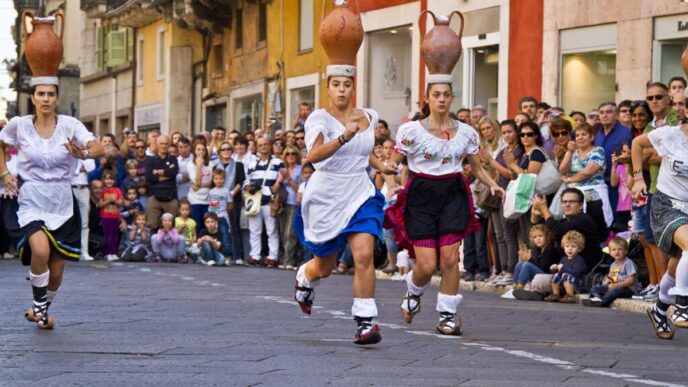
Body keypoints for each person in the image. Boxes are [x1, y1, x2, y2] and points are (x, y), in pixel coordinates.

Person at [388, 68, 505, 336]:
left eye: (446, 95)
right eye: (436, 95)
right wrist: (389, 176)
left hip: (453, 191)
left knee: (451, 258)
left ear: (452, 99)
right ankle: (414, 290)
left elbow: (475, 167)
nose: (441, 99)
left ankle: (447, 315)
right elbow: (393, 162)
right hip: (421, 194)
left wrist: (493, 184)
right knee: (427, 266)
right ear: (427, 99)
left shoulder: (467, 132)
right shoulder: (411, 131)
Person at [292, 59, 397, 345]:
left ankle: (365, 321)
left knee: (364, 253)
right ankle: (305, 275)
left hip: (359, 191)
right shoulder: (319, 118)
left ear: (354, 87)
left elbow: (364, 152)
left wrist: (381, 165)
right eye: (336, 84)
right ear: (327, 88)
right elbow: (313, 156)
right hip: (327, 193)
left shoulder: (369, 116)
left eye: (347, 84)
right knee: (324, 267)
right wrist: (343, 136)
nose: (342, 90)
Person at [0, 79, 104, 329]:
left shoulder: (70, 125)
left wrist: (85, 154)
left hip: (61, 200)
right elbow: (1, 144)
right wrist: (4, 173)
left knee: (56, 272)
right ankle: (40, 311)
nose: (45, 99)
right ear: (33, 98)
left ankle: (41, 310)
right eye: (41, 94)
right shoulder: (19, 125)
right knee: (41, 251)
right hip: (31, 198)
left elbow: (98, 148)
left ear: (57, 99)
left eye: (50, 94)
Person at [631, 120, 688, 340]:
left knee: (677, 264)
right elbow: (637, 143)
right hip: (667, 205)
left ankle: (659, 310)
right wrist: (638, 178)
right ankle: (683, 304)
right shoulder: (670, 135)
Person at [558, 122, 611, 241]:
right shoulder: (574, 153)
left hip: (594, 195)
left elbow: (588, 172)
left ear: (591, 137)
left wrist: (570, 179)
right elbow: (562, 169)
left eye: (584, 134)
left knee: (594, 227)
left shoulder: (598, 150)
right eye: (577, 135)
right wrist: (569, 152)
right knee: (575, 228)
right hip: (575, 196)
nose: (580, 137)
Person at [485, 120, 522, 281]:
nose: (507, 135)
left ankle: (511, 270)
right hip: (498, 196)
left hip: (510, 195)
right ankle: (502, 269)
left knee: (509, 235)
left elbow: (511, 174)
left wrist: (491, 161)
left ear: (516, 132)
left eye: (510, 131)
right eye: (504, 132)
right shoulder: (503, 150)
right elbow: (496, 173)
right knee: (498, 235)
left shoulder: (518, 151)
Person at [531, 188, 602, 271]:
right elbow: (543, 230)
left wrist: (544, 209)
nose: (567, 204)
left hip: (584, 271)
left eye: (572, 202)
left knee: (536, 277)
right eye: (564, 202)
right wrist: (535, 214)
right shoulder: (565, 221)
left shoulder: (584, 219)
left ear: (581, 205)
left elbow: (557, 231)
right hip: (564, 268)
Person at [244, 136, 284, 266]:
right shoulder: (251, 164)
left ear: (270, 146)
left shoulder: (277, 162)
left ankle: (273, 256)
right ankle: (255, 255)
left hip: (269, 201)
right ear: (257, 147)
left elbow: (282, 178)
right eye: (260, 145)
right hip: (255, 201)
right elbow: (246, 180)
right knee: (254, 231)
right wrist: (248, 187)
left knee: (271, 231)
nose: (263, 147)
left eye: (266, 144)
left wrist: (276, 187)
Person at [213, 141, 245, 265]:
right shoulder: (215, 167)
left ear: (232, 151)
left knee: (234, 228)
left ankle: (238, 256)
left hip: (234, 200)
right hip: (218, 200)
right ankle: (223, 254)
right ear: (220, 152)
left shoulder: (238, 165)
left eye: (228, 149)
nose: (226, 151)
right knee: (220, 227)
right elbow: (213, 184)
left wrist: (230, 194)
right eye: (223, 149)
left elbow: (240, 182)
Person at [583, 237, 638, 307]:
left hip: (628, 288)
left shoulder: (628, 263)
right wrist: (606, 282)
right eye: (614, 250)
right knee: (595, 288)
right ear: (610, 252)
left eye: (620, 249)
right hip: (614, 286)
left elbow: (631, 280)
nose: (617, 252)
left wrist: (617, 285)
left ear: (626, 251)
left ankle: (602, 302)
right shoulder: (613, 265)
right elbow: (610, 277)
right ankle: (595, 298)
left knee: (614, 292)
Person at [275, 145, 302, 270]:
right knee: (282, 233)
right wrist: (280, 180)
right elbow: (274, 189)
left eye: (293, 154)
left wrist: (288, 178)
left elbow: (299, 189)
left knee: (289, 233)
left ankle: (289, 260)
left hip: (294, 203)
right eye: (288, 154)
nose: (290, 156)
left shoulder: (300, 169)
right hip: (282, 203)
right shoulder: (282, 170)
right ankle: (285, 258)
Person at [145, 135, 179, 230]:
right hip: (154, 196)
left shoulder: (173, 159)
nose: (163, 146)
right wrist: (167, 172)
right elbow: (149, 177)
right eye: (161, 143)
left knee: (172, 226)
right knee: (151, 226)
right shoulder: (151, 160)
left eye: (166, 144)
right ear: (156, 144)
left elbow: (173, 172)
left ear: (169, 145)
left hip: (171, 197)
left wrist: (158, 172)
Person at [544, 230, 587, 304]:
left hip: (577, 284)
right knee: (556, 275)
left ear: (579, 249)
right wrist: (554, 268)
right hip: (564, 284)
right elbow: (559, 271)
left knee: (565, 275)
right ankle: (556, 293)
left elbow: (576, 272)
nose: (570, 249)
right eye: (567, 246)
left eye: (573, 246)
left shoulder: (579, 260)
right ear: (563, 247)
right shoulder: (563, 259)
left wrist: (562, 269)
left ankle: (570, 295)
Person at [513, 224, 561, 289]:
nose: (538, 239)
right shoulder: (539, 249)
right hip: (542, 274)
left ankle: (519, 288)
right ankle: (514, 287)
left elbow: (543, 268)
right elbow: (537, 265)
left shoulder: (550, 248)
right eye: (535, 237)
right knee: (520, 264)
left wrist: (529, 259)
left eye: (540, 236)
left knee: (526, 265)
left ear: (547, 236)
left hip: (551, 277)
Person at [72, 157, 96, 261]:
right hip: (69, 187)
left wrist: (77, 168)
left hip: (83, 188)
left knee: (84, 223)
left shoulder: (85, 151)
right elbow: (67, 169)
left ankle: (84, 251)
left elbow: (91, 167)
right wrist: (79, 168)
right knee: (66, 221)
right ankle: (68, 250)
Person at [187, 138, 212, 232]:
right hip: (195, 200)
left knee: (207, 227)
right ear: (194, 151)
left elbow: (211, 183)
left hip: (208, 200)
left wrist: (199, 186)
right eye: (198, 149)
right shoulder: (190, 164)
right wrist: (199, 166)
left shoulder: (211, 164)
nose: (201, 152)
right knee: (196, 227)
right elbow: (197, 181)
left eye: (203, 149)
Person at [208, 169, 232, 263]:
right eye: (216, 179)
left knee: (225, 236)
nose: (218, 180)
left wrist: (225, 212)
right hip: (214, 218)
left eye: (221, 178)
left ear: (224, 179)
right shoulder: (211, 192)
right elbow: (210, 205)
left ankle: (227, 255)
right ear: (213, 180)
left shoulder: (226, 191)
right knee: (214, 237)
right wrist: (211, 217)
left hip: (223, 217)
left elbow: (230, 204)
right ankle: (215, 255)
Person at [99, 170, 123, 262]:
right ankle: (107, 253)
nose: (109, 181)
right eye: (107, 179)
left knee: (114, 235)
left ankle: (113, 252)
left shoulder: (117, 190)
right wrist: (109, 201)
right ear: (103, 180)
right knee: (107, 235)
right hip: (105, 216)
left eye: (111, 179)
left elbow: (120, 202)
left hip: (115, 216)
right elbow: (100, 204)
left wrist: (114, 201)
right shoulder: (103, 191)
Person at [176, 137, 193, 201]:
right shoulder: (176, 161)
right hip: (181, 195)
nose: (183, 149)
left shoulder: (196, 159)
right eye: (181, 147)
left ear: (190, 147)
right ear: (178, 148)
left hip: (195, 196)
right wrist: (182, 177)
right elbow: (172, 177)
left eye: (186, 147)